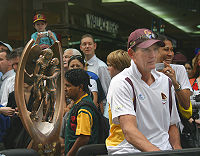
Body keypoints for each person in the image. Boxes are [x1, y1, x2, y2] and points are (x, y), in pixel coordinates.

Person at [106, 28, 181, 155]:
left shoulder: (165, 81)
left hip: (163, 150)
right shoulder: (122, 82)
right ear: (131, 54)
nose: (152, 55)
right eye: (146, 50)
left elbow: (172, 125)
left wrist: (178, 151)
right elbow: (129, 132)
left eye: (155, 49)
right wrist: (158, 154)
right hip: (129, 151)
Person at [64, 69, 99, 156]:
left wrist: (70, 154)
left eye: (68, 86)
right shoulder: (78, 104)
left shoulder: (84, 109)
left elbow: (84, 138)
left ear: (80, 87)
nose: (65, 89)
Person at [156, 34, 192, 118]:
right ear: (155, 51)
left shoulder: (179, 69)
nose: (170, 54)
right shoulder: (147, 70)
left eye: (172, 50)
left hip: (173, 123)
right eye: (166, 49)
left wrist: (175, 82)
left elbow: (186, 105)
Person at [104, 49, 131, 118]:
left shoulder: (117, 84)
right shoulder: (131, 82)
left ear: (118, 66)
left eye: (110, 65)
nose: (107, 68)